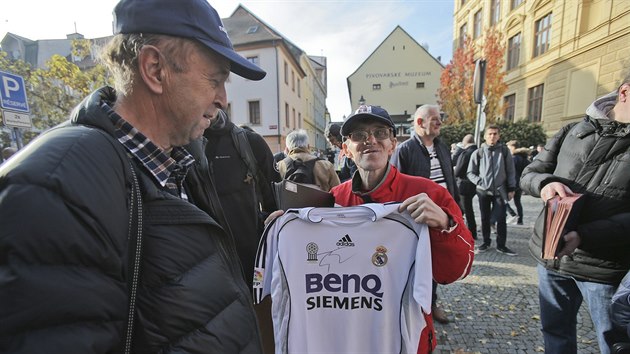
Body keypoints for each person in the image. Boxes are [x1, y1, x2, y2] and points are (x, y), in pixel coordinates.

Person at [0, 0, 267, 352]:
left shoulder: (181, 162)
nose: (222, 98)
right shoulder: (58, 185)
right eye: (214, 80)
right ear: (155, 69)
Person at [332, 104, 474, 352]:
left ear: (392, 144)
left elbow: (455, 273)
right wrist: (285, 225)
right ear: (346, 149)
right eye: (358, 135)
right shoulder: (332, 200)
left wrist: (444, 224)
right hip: (351, 331)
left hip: (406, 331)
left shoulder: (431, 194)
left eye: (380, 132)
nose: (370, 140)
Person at [520, 74, 630, 354]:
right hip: (551, 258)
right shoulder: (573, 130)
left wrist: (583, 236)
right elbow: (530, 174)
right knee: (555, 334)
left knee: (612, 342)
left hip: (602, 267)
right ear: (625, 93)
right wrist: (544, 185)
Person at [390, 104, 459, 325]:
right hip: (416, 219)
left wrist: (457, 211)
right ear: (420, 122)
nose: (440, 122)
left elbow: (451, 181)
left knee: (436, 261)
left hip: (441, 216)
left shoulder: (443, 147)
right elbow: (395, 185)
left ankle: (432, 302)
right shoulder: (405, 149)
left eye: (440, 118)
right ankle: (411, 305)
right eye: (435, 119)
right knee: (416, 263)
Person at [202, 109, 279, 291]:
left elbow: (276, 204)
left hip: (249, 264)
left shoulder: (250, 143)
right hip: (203, 269)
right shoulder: (179, 145)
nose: (218, 97)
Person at [467, 124, 518, 256]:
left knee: (501, 218)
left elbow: (511, 170)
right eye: (490, 134)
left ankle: (501, 245)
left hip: (500, 191)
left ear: (499, 136)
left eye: (495, 134)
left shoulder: (504, 151)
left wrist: (512, 188)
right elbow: (470, 172)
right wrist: (480, 182)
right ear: (485, 136)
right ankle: (486, 242)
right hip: (483, 191)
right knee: (485, 218)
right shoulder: (478, 152)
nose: (492, 136)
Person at [454, 134, 478, 240]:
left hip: (464, 185)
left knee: (465, 209)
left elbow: (458, 171)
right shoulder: (479, 152)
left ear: (464, 142)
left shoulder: (466, 153)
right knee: (467, 209)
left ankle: (471, 232)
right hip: (475, 184)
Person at [506, 140, 529, 225]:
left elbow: (511, 171)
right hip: (520, 182)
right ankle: (520, 220)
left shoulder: (513, 158)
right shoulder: (524, 158)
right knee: (518, 202)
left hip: (513, 183)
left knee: (502, 200)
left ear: (513, 147)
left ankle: (512, 214)